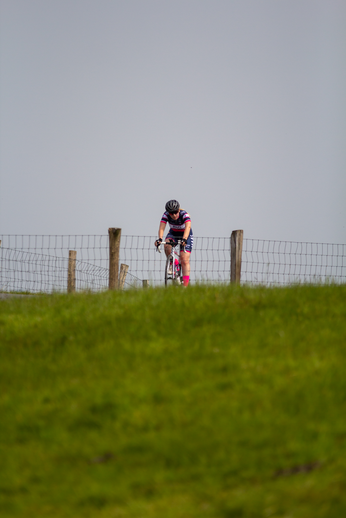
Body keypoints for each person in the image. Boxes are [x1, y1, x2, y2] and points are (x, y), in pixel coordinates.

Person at [155, 200, 193, 287]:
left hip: (185, 234)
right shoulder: (166, 215)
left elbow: (188, 227)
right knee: (167, 245)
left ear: (179, 210)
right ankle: (173, 263)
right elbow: (161, 228)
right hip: (173, 233)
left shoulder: (184, 214)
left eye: (175, 212)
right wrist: (160, 239)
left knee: (184, 259)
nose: (174, 215)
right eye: (171, 213)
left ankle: (185, 286)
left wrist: (184, 239)